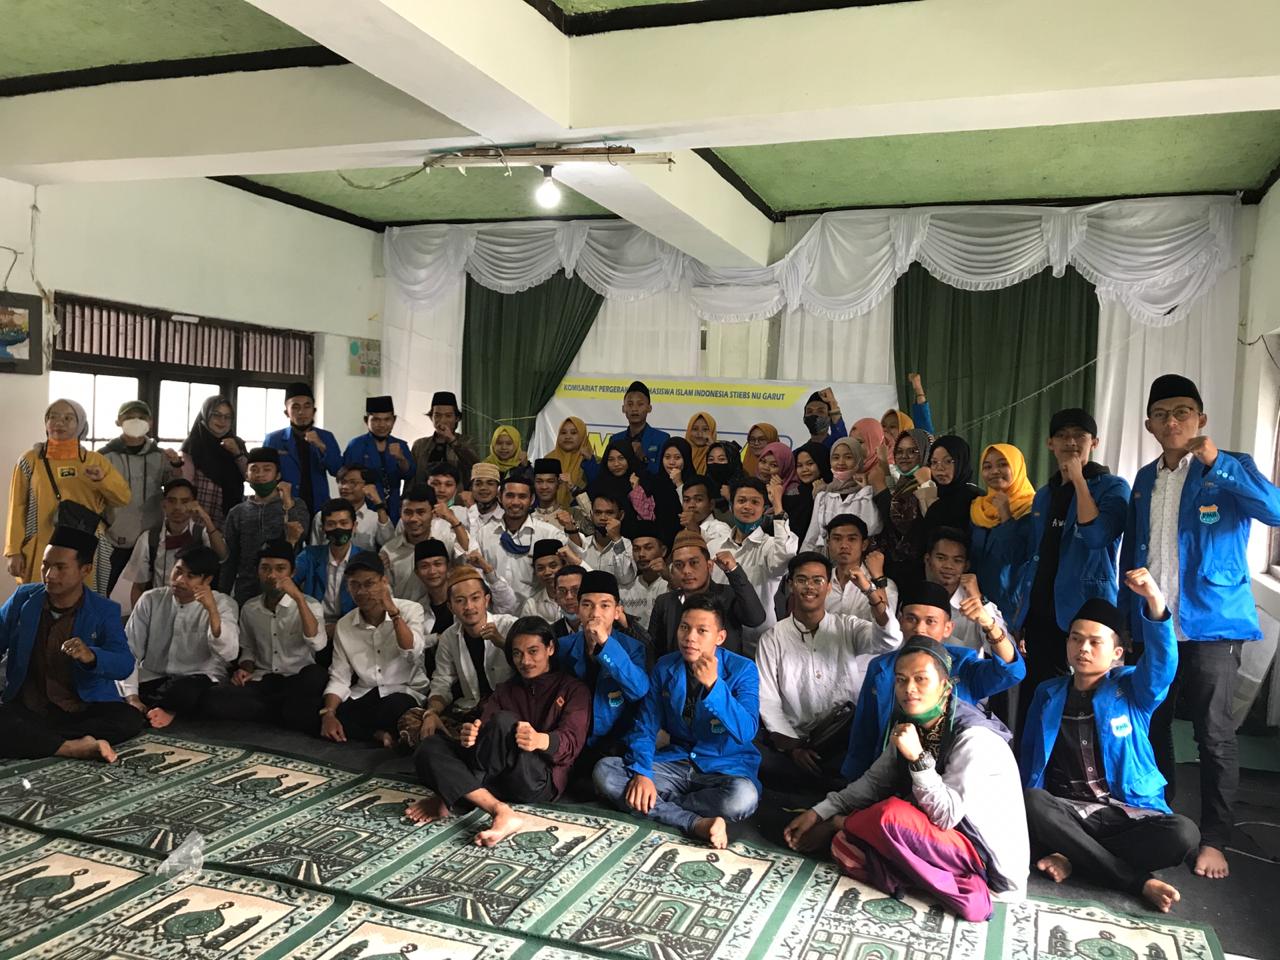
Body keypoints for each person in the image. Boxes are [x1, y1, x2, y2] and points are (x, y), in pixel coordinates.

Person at [1123, 374, 1280, 881]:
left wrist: (1219, 464)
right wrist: (1129, 622)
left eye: (1182, 412)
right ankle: (1161, 813)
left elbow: (1275, 510)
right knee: (1153, 721)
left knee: (1214, 733)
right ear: (1149, 425)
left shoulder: (1231, 466)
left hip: (1213, 624)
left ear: (1200, 419)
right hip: (1156, 623)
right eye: (1162, 414)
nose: (1172, 421)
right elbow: (1134, 551)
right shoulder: (1144, 479)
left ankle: (1215, 837)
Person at [784, 636, 1028, 922]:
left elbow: (946, 816)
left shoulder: (974, 738)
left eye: (921, 679)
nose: (909, 689)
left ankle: (950, 882)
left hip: (986, 860)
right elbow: (873, 783)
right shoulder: (910, 724)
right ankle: (931, 879)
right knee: (844, 846)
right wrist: (818, 812)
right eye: (901, 680)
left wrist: (917, 759)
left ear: (946, 687)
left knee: (889, 816)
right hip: (937, 838)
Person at [1023, 571, 1198, 911]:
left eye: (1095, 642)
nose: (1083, 649)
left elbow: (1161, 665)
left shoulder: (1133, 689)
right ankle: (1135, 880)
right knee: (1032, 802)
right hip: (1068, 812)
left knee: (1184, 834)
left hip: (1126, 812)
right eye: (1076, 639)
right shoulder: (1047, 693)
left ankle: (1073, 855)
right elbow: (1030, 755)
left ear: (1117, 652)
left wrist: (1154, 601)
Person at [594, 594, 761, 849]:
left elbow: (746, 731)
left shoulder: (743, 669)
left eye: (701, 631)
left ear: (720, 637)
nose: (690, 637)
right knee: (605, 772)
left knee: (742, 798)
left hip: (723, 767)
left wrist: (714, 686)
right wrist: (642, 773)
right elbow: (645, 725)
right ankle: (695, 822)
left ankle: (658, 805)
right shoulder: (666, 666)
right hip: (676, 762)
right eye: (684, 627)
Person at [405, 616, 591, 845]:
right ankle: (499, 810)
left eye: (533, 651)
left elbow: (572, 744)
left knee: (504, 722)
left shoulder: (574, 689)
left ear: (550, 648)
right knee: (430, 745)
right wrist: (470, 736)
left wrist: (539, 740)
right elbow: (485, 739)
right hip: (496, 777)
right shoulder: (506, 689)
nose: (525, 661)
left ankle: (453, 793)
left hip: (537, 779)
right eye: (517, 654)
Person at [1011, 409, 1131, 736]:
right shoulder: (1044, 494)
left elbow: (1097, 536)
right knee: (1039, 696)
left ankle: (1081, 764)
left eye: (1080, 435)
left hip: (1086, 613)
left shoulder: (1114, 487)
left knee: (1084, 701)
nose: (1071, 442)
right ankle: (1034, 763)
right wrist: (1021, 616)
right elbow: (1036, 557)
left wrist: (1078, 480)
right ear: (1050, 443)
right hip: (1042, 614)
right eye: (1062, 436)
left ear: (1095, 442)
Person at [840, 581, 1025, 783]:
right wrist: (852, 786)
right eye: (911, 619)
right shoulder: (881, 667)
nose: (919, 628)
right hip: (888, 773)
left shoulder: (962, 664)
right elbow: (864, 733)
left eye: (930, 621)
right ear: (900, 621)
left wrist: (990, 625)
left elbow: (1011, 672)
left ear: (947, 628)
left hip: (950, 776)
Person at [756, 552, 901, 788]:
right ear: (790, 585)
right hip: (795, 741)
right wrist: (793, 748)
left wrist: (869, 592)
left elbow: (890, 639)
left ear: (829, 587)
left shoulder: (847, 626)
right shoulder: (772, 638)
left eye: (818, 580)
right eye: (801, 580)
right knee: (758, 756)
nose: (809, 587)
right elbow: (767, 699)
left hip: (842, 737)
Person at [0, 527, 144, 762]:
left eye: (60, 567)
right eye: (45, 565)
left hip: (80, 707)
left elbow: (124, 664)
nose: (49, 574)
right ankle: (70, 746)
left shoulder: (103, 610)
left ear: (85, 570)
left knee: (129, 719)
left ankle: (39, 740)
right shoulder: (23, 599)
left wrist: (92, 656)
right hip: (30, 706)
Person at [202, 540, 327, 731]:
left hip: (297, 679)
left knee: (316, 676)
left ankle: (278, 712)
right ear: (258, 572)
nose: (272, 575)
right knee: (215, 698)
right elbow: (249, 650)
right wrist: (244, 669)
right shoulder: (250, 608)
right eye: (265, 569)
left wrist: (299, 599)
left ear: (292, 572)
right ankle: (283, 712)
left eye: (280, 569)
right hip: (264, 680)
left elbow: (317, 643)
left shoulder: (311, 605)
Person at [6, 399, 131, 585]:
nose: (59, 422)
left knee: (82, 598)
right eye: (53, 417)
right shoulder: (30, 460)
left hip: (84, 547)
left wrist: (102, 480)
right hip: (40, 546)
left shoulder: (95, 461)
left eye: (68, 418)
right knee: (39, 598)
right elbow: (17, 506)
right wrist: (13, 550)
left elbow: (123, 498)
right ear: (46, 422)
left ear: (80, 424)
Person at [121, 545, 239, 729]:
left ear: (207, 580)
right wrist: (132, 697)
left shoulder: (223, 603)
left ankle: (160, 709)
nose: (179, 580)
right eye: (178, 571)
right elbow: (129, 649)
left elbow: (229, 653)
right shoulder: (151, 599)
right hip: (153, 677)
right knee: (109, 682)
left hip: (196, 680)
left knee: (196, 694)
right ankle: (155, 708)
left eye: (190, 576)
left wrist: (212, 611)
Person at [320, 553, 427, 747]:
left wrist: (394, 613)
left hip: (403, 690)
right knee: (325, 711)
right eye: (354, 585)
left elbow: (412, 652)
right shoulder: (344, 624)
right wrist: (329, 713)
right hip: (366, 693)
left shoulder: (411, 609)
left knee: (398, 707)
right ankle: (379, 735)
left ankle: (371, 734)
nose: (361, 592)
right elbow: (340, 677)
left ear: (384, 582)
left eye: (369, 584)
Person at [553, 571, 649, 759]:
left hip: (615, 741)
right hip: (570, 736)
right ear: (578, 610)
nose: (595, 613)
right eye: (587, 605)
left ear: (617, 612)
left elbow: (639, 690)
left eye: (605, 605)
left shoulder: (633, 648)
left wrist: (605, 644)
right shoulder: (562, 647)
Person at [415, 566, 518, 739]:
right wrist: (431, 713)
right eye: (460, 601)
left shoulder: (509, 626)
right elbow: (442, 681)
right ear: (450, 607)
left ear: (486, 600)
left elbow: (531, 666)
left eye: (475, 598)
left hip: (509, 709)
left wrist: (502, 643)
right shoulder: (448, 637)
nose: (469, 606)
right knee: (419, 726)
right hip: (470, 709)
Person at [706, 476, 796, 653]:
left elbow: (784, 559)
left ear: (764, 509)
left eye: (755, 502)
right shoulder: (714, 546)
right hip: (720, 636)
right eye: (741, 501)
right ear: (731, 506)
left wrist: (778, 507)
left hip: (760, 640)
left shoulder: (770, 545)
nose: (747, 506)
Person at [100, 399, 181, 594]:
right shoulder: (104, 456)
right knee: (104, 587)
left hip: (153, 534)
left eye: (142, 417)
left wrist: (176, 464)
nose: (136, 421)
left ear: (150, 422)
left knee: (153, 589)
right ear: (118, 421)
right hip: (115, 534)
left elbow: (174, 488)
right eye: (129, 417)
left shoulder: (160, 456)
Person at [648, 530, 765, 657]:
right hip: (675, 669)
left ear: (709, 566)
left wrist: (734, 571)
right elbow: (654, 651)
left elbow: (755, 619)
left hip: (723, 669)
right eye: (679, 565)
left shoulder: (727, 595)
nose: (686, 570)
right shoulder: (664, 602)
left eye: (694, 563)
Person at [220, 448, 309, 604]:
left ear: (278, 475)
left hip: (283, 587)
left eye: (267, 469)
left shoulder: (296, 504)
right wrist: (223, 594)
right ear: (247, 475)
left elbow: (301, 535)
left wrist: (288, 503)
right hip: (246, 588)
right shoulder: (237, 512)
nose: (260, 474)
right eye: (254, 470)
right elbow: (230, 556)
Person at [124, 479, 227, 607]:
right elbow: (138, 587)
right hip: (159, 606)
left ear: (194, 504)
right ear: (164, 504)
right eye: (172, 501)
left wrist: (206, 519)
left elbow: (222, 556)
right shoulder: (149, 538)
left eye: (185, 501)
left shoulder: (203, 534)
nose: (177, 507)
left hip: (196, 608)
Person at [474, 472, 567, 605]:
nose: (515, 502)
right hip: (496, 611)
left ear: (532, 499)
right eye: (510, 496)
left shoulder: (549, 533)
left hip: (536, 611)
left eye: (522, 496)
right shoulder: (484, 534)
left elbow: (574, 562)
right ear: (500, 497)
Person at [969, 442, 1036, 616]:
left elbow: (1018, 556)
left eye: (1003, 464)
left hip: (1012, 604)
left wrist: (1006, 514)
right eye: (987, 466)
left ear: (1017, 467)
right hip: (975, 600)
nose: (994, 471)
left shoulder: (1032, 509)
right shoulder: (978, 508)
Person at [921, 527, 1009, 652]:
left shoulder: (977, 604)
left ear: (966, 566)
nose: (948, 566)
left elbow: (1009, 655)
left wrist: (980, 600)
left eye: (957, 561)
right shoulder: (915, 597)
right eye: (941, 558)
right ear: (928, 560)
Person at [868, 427, 935, 590]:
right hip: (894, 568)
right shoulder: (905, 482)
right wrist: (884, 467)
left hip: (916, 572)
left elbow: (899, 523)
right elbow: (895, 499)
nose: (904, 456)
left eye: (913, 451)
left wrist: (880, 489)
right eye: (899, 451)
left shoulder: (928, 484)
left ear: (926, 453)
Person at [262, 382, 342, 517]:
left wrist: (321, 446)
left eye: (307, 406)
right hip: (285, 507)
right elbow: (265, 475)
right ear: (286, 412)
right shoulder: (274, 439)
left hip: (319, 506)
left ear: (314, 411)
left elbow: (338, 471)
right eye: (295, 407)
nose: (301, 412)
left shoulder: (326, 437)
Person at [380, 483, 464, 602]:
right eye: (408, 512)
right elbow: (388, 594)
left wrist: (453, 521)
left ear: (433, 513)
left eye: (421, 512)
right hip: (405, 613)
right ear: (400, 513)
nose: (414, 519)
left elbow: (467, 562)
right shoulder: (389, 552)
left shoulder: (446, 542)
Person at [294, 498, 365, 637]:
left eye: (344, 523)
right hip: (313, 626)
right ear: (323, 528)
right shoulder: (309, 555)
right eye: (331, 524)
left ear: (354, 526)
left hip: (352, 629)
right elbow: (288, 581)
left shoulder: (364, 559)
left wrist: (339, 627)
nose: (338, 528)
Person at [341, 395, 416, 524]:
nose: (382, 425)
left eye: (387, 419)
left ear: (394, 420)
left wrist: (401, 458)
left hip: (393, 508)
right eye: (376, 420)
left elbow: (410, 474)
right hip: (365, 509)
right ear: (366, 420)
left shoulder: (400, 445)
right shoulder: (356, 445)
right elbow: (346, 478)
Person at [179, 395, 248, 532]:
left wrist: (237, 453)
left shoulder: (237, 443)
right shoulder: (193, 445)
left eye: (227, 417)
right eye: (216, 415)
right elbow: (185, 485)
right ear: (206, 415)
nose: (222, 421)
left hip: (231, 519)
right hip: (199, 519)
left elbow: (249, 475)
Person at [802, 435, 880, 551]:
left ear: (858, 459)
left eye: (848, 457)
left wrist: (866, 493)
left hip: (857, 557)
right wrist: (804, 559)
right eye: (836, 457)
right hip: (825, 557)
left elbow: (873, 527)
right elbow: (811, 537)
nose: (841, 462)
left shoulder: (866, 493)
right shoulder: (823, 496)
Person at [823, 515, 897, 622]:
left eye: (852, 539)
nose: (844, 545)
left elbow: (888, 625)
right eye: (837, 539)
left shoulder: (884, 585)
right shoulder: (820, 581)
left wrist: (878, 580)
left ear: (864, 545)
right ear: (828, 544)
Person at [310, 464, 393, 552]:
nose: (345, 487)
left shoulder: (374, 518)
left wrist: (379, 504)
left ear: (367, 486)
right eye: (342, 482)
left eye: (353, 483)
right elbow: (314, 549)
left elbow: (390, 544)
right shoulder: (322, 515)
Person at [410, 391, 480, 484]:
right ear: (431, 418)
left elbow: (475, 466)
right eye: (437, 415)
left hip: (457, 493)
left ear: (456, 418)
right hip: (425, 492)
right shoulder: (420, 445)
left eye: (448, 416)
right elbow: (411, 478)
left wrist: (452, 440)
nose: (442, 420)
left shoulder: (467, 442)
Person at [922, 435, 979, 537]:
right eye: (934, 462)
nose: (939, 468)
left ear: (961, 462)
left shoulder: (975, 499)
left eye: (948, 461)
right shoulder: (932, 493)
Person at [610, 380, 670, 474]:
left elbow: (663, 474)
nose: (634, 409)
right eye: (630, 404)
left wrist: (643, 458)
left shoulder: (662, 439)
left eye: (640, 404)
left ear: (649, 408)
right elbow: (605, 473)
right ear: (623, 408)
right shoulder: (615, 439)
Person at [578, 493, 638, 585]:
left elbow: (626, 579)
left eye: (609, 513)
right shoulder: (582, 544)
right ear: (591, 514)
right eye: (598, 512)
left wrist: (616, 539)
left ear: (621, 515)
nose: (603, 517)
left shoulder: (628, 545)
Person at [620, 521, 668, 630]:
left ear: (663, 551)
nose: (641, 554)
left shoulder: (671, 585)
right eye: (636, 549)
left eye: (648, 548)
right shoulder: (625, 589)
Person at [787, 441, 831, 549]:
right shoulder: (791, 494)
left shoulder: (832, 493)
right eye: (799, 465)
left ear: (821, 463)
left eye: (810, 464)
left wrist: (818, 498)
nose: (804, 469)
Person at [879, 373, 936, 453]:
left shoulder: (917, 454)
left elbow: (924, 423)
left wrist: (918, 388)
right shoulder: (875, 452)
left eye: (892, 427)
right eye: (883, 426)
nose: (885, 430)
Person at [548, 415, 594, 508]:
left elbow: (596, 493)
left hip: (582, 514)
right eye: (563, 433)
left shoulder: (593, 462)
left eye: (573, 433)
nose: (568, 436)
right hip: (550, 513)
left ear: (582, 436)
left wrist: (590, 461)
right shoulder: (548, 459)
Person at [520, 539, 567, 622]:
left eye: (553, 566)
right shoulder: (532, 606)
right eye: (540, 568)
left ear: (564, 565)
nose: (547, 572)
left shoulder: (578, 597)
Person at [679, 476, 732, 546]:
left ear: (711, 504)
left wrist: (696, 530)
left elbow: (727, 551)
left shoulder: (720, 528)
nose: (691, 505)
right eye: (686, 500)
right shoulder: (684, 531)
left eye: (698, 499)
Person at [461, 463, 503, 534]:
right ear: (471, 488)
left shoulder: (506, 518)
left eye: (490, 484)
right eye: (478, 484)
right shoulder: (459, 514)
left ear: (498, 489)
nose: (483, 488)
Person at [531, 457, 565, 523]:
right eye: (539, 481)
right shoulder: (526, 517)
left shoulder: (571, 515)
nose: (544, 487)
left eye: (550, 481)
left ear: (559, 482)